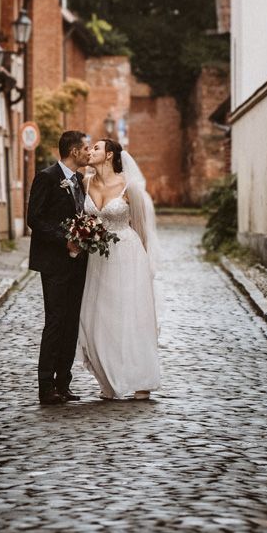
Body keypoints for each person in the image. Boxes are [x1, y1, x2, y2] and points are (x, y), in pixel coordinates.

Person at [77, 135, 162, 401]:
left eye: (96, 148)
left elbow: (141, 227)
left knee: (130, 315)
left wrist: (147, 265)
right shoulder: (84, 182)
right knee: (98, 318)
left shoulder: (129, 186)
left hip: (127, 254)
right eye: (89, 148)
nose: (90, 151)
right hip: (97, 258)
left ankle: (140, 380)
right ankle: (107, 378)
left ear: (110, 154)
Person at [26, 127, 92, 405]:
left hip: (78, 263)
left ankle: (64, 383)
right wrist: (64, 240)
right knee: (54, 321)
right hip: (54, 262)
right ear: (74, 151)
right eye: (86, 148)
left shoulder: (79, 180)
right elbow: (35, 219)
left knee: (70, 322)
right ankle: (46, 386)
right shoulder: (47, 177)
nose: (89, 152)